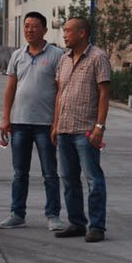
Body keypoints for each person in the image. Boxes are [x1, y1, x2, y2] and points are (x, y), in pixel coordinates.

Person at [0, 11, 66, 231]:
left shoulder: (57, 55)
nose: (29, 30)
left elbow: (61, 90)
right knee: (20, 173)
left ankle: (53, 215)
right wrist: (5, 118)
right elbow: (10, 88)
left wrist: (57, 122)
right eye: (26, 26)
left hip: (46, 124)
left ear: (44, 30)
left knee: (50, 173)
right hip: (19, 123)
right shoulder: (18, 55)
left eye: (34, 26)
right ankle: (17, 214)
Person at [51, 16, 111, 243]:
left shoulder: (98, 57)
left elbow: (104, 94)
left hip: (86, 131)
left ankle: (96, 226)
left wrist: (99, 126)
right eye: (64, 30)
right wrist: (55, 124)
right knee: (68, 179)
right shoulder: (64, 59)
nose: (64, 34)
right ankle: (76, 223)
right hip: (65, 129)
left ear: (82, 33)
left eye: (68, 30)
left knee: (94, 180)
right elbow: (60, 93)